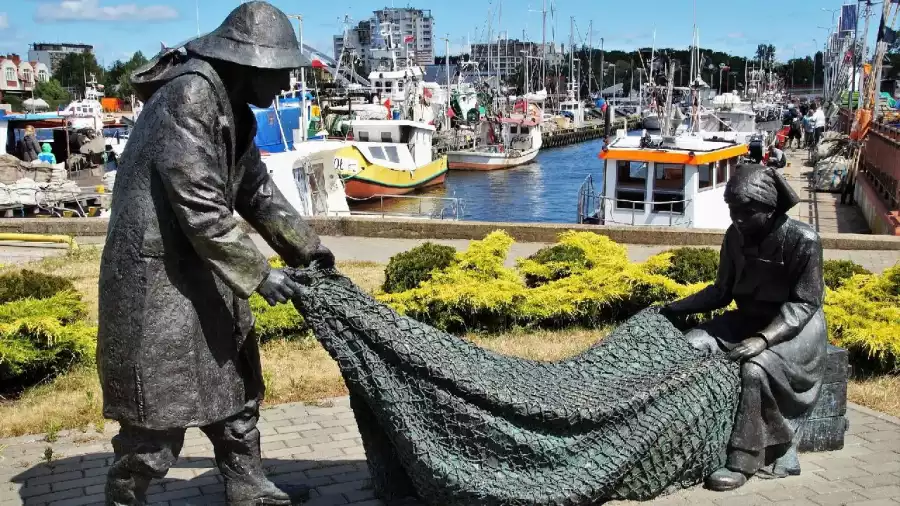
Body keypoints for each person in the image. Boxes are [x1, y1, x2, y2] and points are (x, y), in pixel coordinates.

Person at [97, 2, 334, 505]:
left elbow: (257, 192)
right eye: (279, 72)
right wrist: (259, 274)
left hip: (201, 266)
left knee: (235, 389)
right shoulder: (189, 97)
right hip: (157, 278)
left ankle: (248, 486)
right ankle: (124, 496)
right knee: (157, 415)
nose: (284, 83)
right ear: (248, 64)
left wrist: (308, 252)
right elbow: (200, 205)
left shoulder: (232, 109)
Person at [659, 164, 826, 492]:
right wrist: (673, 308)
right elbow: (722, 290)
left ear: (770, 209)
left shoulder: (803, 241)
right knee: (692, 345)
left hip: (796, 330)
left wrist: (763, 339)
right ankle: (682, 437)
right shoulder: (735, 237)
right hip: (747, 317)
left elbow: (805, 304)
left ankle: (744, 458)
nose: (737, 219)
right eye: (733, 211)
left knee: (754, 369)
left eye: (746, 212)